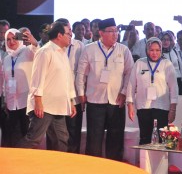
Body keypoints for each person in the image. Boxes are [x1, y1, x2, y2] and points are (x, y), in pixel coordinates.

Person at [76, 18, 134, 161]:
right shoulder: (89, 49)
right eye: (111, 31)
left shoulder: (123, 50)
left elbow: (130, 74)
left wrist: (124, 92)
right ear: (101, 33)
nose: (115, 34)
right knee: (94, 141)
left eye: (116, 31)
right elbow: (81, 74)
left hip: (116, 101)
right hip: (95, 100)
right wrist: (81, 95)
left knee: (115, 140)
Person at [16, 21, 77, 151]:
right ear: (59, 35)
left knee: (61, 140)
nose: (71, 35)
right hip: (44, 106)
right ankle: (11, 164)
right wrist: (38, 101)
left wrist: (70, 101)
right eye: (68, 33)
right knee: (33, 139)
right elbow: (37, 78)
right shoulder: (45, 51)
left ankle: (57, 169)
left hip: (58, 105)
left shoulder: (62, 53)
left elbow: (67, 79)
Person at [126, 37, 178, 144]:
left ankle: (160, 160)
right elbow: (131, 84)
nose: (154, 53)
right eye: (152, 50)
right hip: (143, 106)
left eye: (157, 50)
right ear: (147, 50)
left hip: (162, 107)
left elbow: (174, 88)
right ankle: (145, 160)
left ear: (161, 50)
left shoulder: (167, 64)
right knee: (144, 137)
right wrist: (130, 105)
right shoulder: (139, 63)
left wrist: (173, 109)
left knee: (162, 138)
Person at [3, 28, 38, 147]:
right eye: (8, 39)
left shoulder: (28, 52)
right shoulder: (7, 59)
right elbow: (5, 81)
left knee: (27, 135)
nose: (11, 41)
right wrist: (5, 100)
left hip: (26, 102)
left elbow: (39, 53)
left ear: (19, 39)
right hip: (12, 103)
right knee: (13, 135)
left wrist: (34, 42)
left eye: (14, 38)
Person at [56, 18, 85, 153]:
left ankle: (74, 162)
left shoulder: (80, 46)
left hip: (74, 97)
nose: (67, 33)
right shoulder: (53, 47)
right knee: (58, 133)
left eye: (68, 30)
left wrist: (81, 93)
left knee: (74, 132)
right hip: (57, 97)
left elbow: (83, 73)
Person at [159, 31, 182, 95]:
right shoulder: (157, 54)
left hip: (177, 82)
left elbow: (181, 69)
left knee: (180, 103)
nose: (165, 42)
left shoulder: (175, 52)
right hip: (164, 83)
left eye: (167, 39)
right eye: (163, 39)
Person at [0, 19, 10, 147]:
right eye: (1, 32)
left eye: (5, 32)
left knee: (8, 125)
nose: (3, 35)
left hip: (9, 91)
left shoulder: (14, 45)